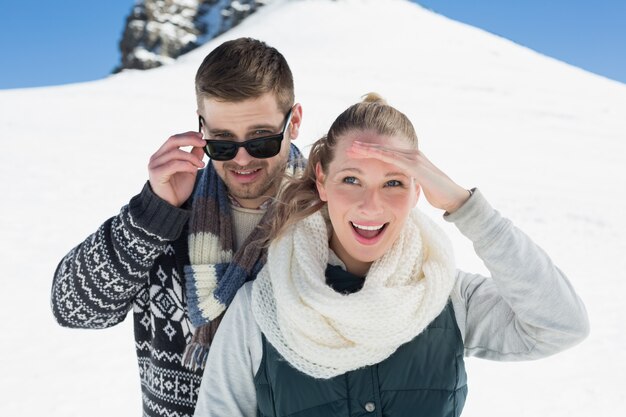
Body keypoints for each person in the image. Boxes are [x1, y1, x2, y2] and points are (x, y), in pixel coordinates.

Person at [193, 93, 589, 417]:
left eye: (394, 182)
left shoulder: (446, 295)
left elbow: (561, 325)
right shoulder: (260, 309)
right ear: (322, 181)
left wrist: (464, 205)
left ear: (419, 190)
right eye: (351, 179)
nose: (371, 206)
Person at [51, 37, 304, 417]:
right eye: (221, 142)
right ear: (201, 130)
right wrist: (149, 215)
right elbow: (73, 308)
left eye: (261, 140)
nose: (241, 159)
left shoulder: (325, 217)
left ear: (294, 122)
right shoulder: (166, 217)